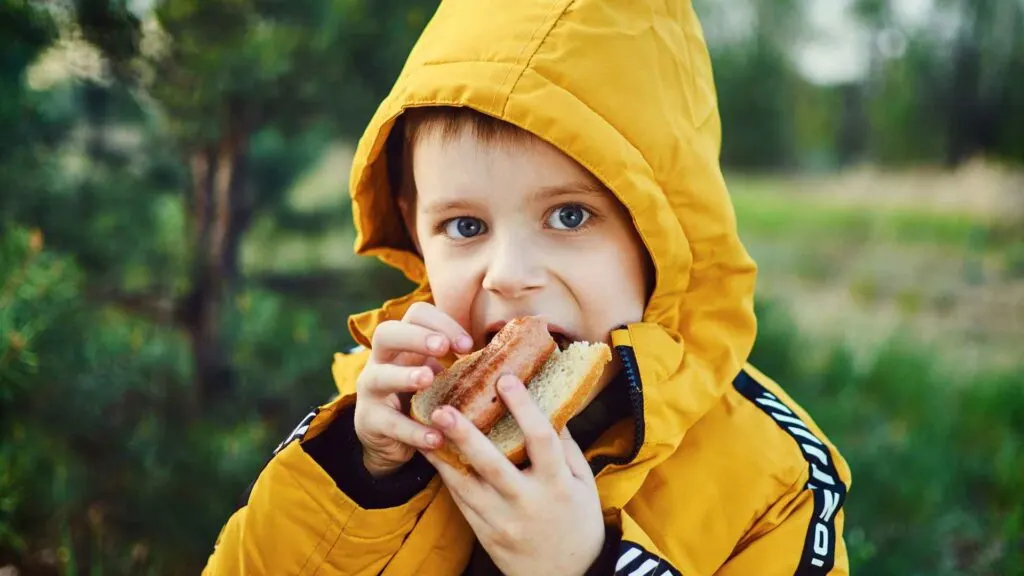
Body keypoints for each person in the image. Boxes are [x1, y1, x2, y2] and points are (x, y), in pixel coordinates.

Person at [203, 0, 852, 574]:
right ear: (414, 224)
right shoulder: (387, 418)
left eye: (570, 216)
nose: (510, 274)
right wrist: (362, 475)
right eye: (464, 225)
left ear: (666, 238)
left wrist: (586, 568)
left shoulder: (774, 480)